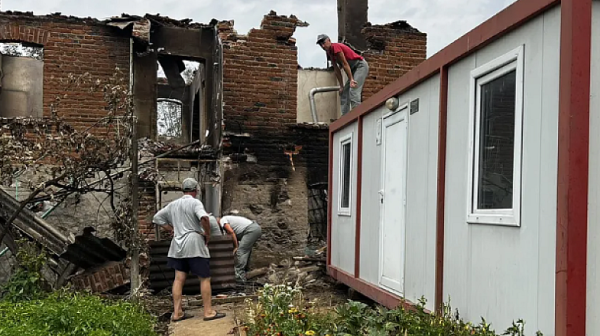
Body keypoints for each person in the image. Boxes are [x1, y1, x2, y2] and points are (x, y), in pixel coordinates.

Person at [152, 178, 226, 322]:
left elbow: (157, 218)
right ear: (196, 190)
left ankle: (177, 313)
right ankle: (208, 312)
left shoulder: (173, 205)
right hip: (194, 244)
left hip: (177, 246)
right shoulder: (195, 202)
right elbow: (204, 218)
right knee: (204, 278)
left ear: (183, 190)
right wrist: (208, 234)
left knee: (178, 279)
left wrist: (171, 229)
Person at [316, 34, 369, 116]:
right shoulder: (329, 53)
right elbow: (336, 70)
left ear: (329, 40)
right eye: (320, 45)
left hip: (360, 66)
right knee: (344, 92)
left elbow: (344, 64)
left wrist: (351, 79)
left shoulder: (336, 47)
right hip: (353, 69)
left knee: (353, 90)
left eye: (323, 43)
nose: (323, 46)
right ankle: (345, 118)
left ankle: (358, 115)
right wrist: (341, 86)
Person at [216, 215, 262, 282]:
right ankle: (245, 271)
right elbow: (234, 234)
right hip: (254, 228)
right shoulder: (227, 222)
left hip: (251, 230)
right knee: (246, 250)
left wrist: (236, 246)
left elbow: (231, 232)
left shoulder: (222, 220)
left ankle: (239, 277)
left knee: (241, 251)